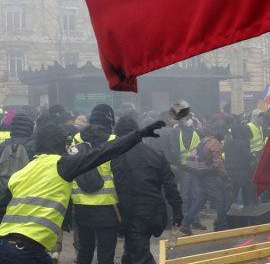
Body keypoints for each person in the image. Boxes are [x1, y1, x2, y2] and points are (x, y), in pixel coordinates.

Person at [0, 120, 165, 263]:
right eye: (66, 143)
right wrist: (139, 134)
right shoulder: (61, 165)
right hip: (27, 251)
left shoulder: (22, 172)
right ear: (56, 144)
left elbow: (3, 205)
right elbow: (102, 153)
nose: (69, 147)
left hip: (7, 246)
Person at [111, 116, 183, 264]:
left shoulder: (116, 156)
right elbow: (170, 185)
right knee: (131, 253)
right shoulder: (156, 154)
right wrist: (177, 211)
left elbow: (121, 187)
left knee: (140, 257)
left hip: (134, 215)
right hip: (156, 212)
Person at [71, 104, 121, 264]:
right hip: (108, 205)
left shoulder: (76, 139)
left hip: (81, 204)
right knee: (106, 254)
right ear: (109, 121)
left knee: (84, 251)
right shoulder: (114, 140)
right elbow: (120, 175)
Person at [180, 121, 232, 235]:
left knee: (200, 200)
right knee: (221, 200)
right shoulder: (215, 143)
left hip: (199, 174)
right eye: (224, 133)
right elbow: (218, 164)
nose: (224, 136)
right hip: (210, 176)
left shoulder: (204, 139)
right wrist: (226, 179)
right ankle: (222, 228)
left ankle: (185, 223)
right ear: (220, 131)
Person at [224, 124, 255, 210]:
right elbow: (246, 156)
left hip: (231, 173)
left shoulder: (229, 144)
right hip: (242, 172)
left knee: (233, 193)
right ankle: (247, 211)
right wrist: (253, 157)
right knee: (246, 192)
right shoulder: (244, 143)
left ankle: (223, 212)